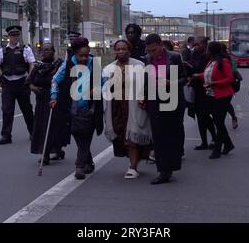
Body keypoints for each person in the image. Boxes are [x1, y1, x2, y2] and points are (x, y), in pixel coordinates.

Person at [50, 37, 104, 180]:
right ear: (74, 54)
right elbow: (55, 80)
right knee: (79, 136)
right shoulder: (67, 65)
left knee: (86, 137)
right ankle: (88, 161)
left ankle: (79, 166)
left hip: (91, 108)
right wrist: (54, 96)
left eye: (86, 55)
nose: (84, 58)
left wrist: (97, 89)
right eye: (81, 55)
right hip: (72, 109)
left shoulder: (95, 64)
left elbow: (105, 82)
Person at [103, 40, 152, 179]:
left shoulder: (139, 65)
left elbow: (145, 85)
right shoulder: (109, 68)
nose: (120, 51)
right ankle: (134, 162)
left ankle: (133, 167)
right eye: (118, 49)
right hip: (116, 108)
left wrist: (144, 97)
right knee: (121, 136)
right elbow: (105, 88)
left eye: (123, 49)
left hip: (134, 105)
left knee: (132, 137)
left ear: (129, 50)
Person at [143, 34, 186, 184]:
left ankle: (169, 168)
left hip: (171, 97)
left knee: (171, 135)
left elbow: (184, 78)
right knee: (158, 136)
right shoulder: (147, 59)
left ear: (160, 45)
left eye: (154, 50)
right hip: (154, 99)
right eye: (149, 51)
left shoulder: (174, 57)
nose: (151, 53)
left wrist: (171, 82)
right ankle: (163, 170)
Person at [0, 26, 36, 145]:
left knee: (27, 110)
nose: (15, 37)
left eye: (16, 35)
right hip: (8, 84)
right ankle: (6, 136)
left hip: (22, 83)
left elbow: (32, 64)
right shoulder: (2, 50)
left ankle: (34, 133)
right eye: (12, 35)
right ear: (9, 36)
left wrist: (30, 79)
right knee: (7, 110)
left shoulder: (25, 49)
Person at [194, 42, 235, 159]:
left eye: (207, 49)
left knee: (219, 122)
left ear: (211, 51)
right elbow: (208, 74)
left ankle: (217, 149)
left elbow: (230, 78)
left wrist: (214, 83)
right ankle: (228, 144)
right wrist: (197, 75)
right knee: (215, 120)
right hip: (211, 95)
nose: (206, 51)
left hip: (223, 95)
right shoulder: (210, 62)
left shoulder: (224, 62)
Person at [27, 41, 64, 165]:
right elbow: (29, 82)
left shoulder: (59, 65)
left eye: (49, 49)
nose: (46, 52)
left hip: (55, 100)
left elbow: (65, 80)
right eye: (44, 50)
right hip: (42, 101)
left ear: (53, 51)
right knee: (42, 127)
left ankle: (56, 150)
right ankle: (46, 153)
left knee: (54, 127)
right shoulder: (38, 66)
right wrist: (34, 88)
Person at [187, 37, 217, 150]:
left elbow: (208, 72)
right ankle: (204, 141)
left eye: (198, 44)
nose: (196, 46)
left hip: (206, 89)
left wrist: (197, 75)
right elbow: (191, 67)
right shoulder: (194, 54)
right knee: (199, 117)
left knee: (205, 116)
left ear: (204, 45)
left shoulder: (208, 57)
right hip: (196, 89)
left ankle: (214, 138)